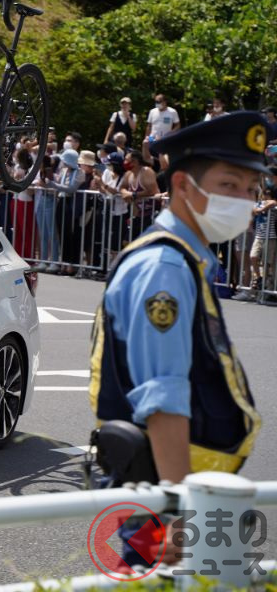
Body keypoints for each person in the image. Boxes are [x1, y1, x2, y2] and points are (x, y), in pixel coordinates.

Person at [91, 111, 269, 491]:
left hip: (183, 481)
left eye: (251, 189)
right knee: (149, 556)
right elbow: (162, 396)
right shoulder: (165, 267)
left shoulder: (187, 259)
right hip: (165, 488)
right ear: (184, 186)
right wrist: (175, 511)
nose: (244, 199)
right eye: (229, 184)